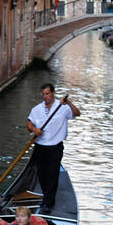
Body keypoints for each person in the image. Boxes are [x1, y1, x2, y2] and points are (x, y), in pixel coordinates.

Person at [26, 82, 80, 213]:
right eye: (43, 94)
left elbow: (77, 113)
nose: (45, 97)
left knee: (52, 173)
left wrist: (69, 103)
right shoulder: (37, 109)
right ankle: (46, 196)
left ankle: (48, 203)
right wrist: (35, 130)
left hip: (55, 147)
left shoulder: (63, 107)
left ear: (53, 93)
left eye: (47, 94)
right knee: (42, 174)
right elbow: (29, 124)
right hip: (40, 146)